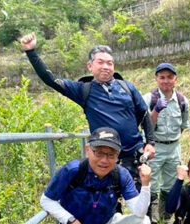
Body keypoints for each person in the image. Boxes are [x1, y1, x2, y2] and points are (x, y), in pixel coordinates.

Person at [20, 33, 156, 189]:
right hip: (104, 157)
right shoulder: (83, 90)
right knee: (107, 204)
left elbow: (144, 113)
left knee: (142, 199)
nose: (106, 66)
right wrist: (31, 52)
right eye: (101, 62)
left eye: (110, 63)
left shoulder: (127, 87)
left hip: (134, 155)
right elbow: (51, 80)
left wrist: (150, 143)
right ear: (90, 66)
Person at [142, 63, 189, 224]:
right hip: (155, 146)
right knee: (152, 184)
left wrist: (172, 139)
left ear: (175, 79)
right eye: (162, 77)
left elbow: (183, 125)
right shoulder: (149, 99)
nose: (166, 81)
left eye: (170, 77)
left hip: (174, 146)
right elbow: (146, 126)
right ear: (156, 79)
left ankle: (166, 218)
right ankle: (152, 221)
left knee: (170, 184)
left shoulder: (182, 101)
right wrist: (156, 110)